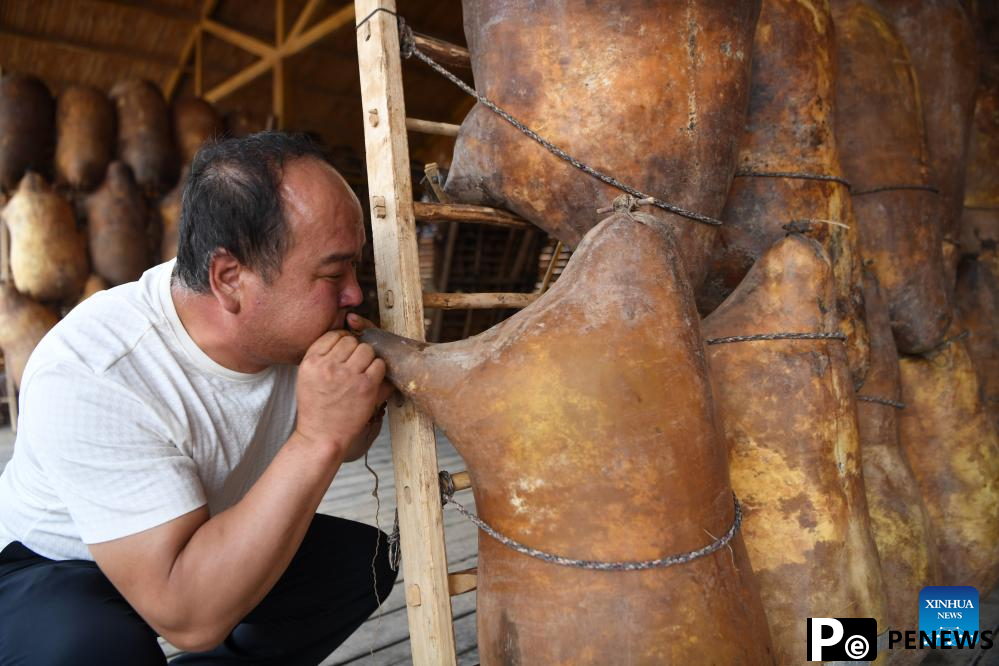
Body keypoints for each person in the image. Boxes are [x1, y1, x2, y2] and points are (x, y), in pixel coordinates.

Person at [0, 132, 398, 665]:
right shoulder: (96, 370)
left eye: (355, 268)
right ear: (229, 279)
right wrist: (318, 437)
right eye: (332, 273)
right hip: (57, 568)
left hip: (199, 532)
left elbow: (349, 441)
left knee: (364, 563)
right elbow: (187, 616)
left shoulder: (287, 325)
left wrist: (355, 409)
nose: (354, 293)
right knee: (95, 648)